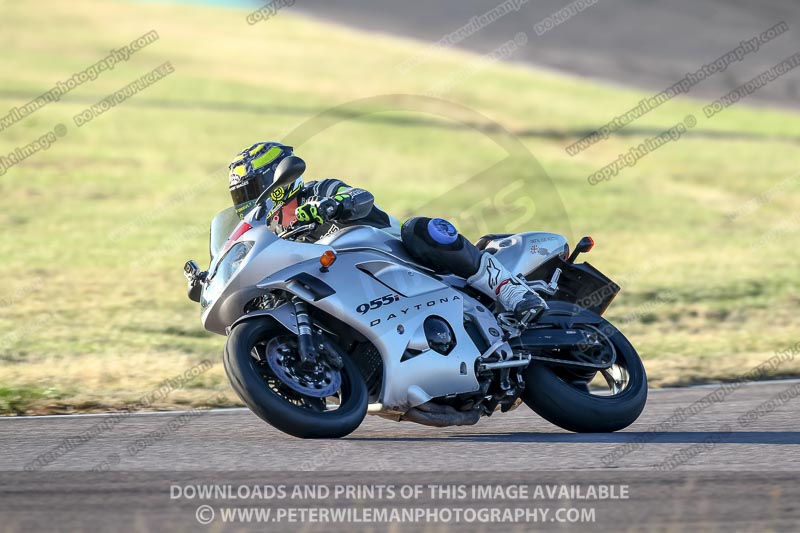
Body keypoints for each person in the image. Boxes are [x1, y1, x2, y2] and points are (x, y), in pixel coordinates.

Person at [228, 141, 547, 319]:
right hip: (358, 293)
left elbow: (360, 197)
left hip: (398, 256)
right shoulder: (272, 233)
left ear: (274, 181)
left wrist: (330, 206)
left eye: (251, 189)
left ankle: (512, 291)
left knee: (421, 229)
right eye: (240, 195)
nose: (246, 200)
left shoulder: (317, 190)